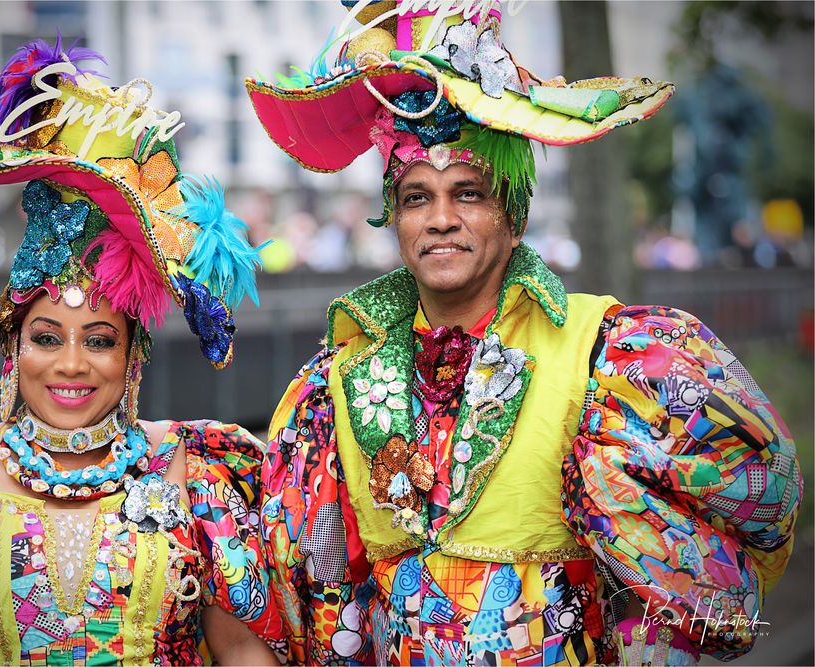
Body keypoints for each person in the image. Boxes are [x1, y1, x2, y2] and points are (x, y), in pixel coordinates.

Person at [244, 2, 802, 665]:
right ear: (394, 217)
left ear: (512, 216)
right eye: (418, 196)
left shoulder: (603, 358)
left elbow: (758, 502)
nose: (442, 218)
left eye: (469, 193)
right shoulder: (336, 384)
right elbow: (324, 596)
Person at [0, 37, 284, 665]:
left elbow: (244, 655)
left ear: (132, 357)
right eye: (45, 337)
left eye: (99, 340)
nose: (71, 364)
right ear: (12, 345)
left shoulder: (197, 473)